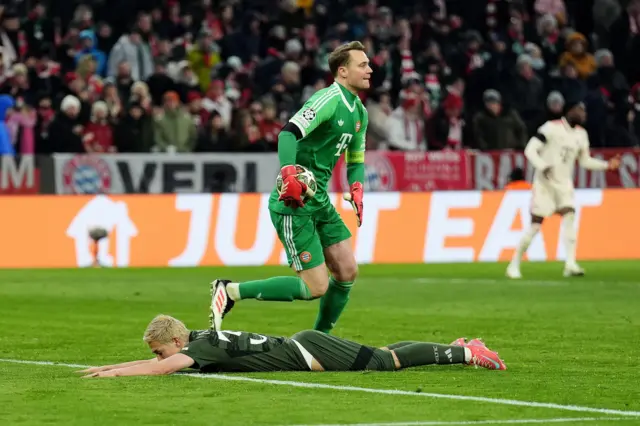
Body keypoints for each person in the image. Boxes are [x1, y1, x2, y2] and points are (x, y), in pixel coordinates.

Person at [210, 41, 371, 334]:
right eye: (363, 65)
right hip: (294, 201)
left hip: (319, 199)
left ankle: (319, 340)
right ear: (343, 71)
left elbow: (355, 159)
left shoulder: (359, 112)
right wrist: (288, 174)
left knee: (348, 270)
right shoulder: (327, 100)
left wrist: (357, 187)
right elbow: (288, 134)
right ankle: (230, 291)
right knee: (316, 286)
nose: (369, 69)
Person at [78, 314, 506, 378]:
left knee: (386, 362)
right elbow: (156, 362)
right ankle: (456, 346)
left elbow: (160, 369)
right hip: (305, 345)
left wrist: (113, 375)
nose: (160, 356)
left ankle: (469, 353)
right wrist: (108, 366)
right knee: (380, 351)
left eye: (159, 349)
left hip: (308, 352)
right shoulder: (202, 340)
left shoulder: (200, 349)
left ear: (175, 341)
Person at [506, 100, 621, 279]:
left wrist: (607, 165)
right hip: (544, 184)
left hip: (564, 184)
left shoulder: (582, 134)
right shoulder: (550, 128)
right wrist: (542, 166)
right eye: (579, 110)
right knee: (536, 226)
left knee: (569, 215)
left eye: (584, 111)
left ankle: (570, 264)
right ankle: (514, 263)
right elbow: (530, 150)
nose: (583, 114)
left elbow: (584, 161)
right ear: (569, 110)